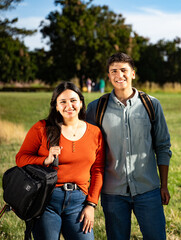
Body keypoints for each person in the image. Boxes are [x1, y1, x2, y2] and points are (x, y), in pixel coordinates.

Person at [86, 52, 172, 240]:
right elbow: (86, 150)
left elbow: (163, 147)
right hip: (113, 193)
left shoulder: (151, 104)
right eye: (113, 71)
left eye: (124, 70)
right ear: (108, 76)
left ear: (133, 73)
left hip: (148, 190)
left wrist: (163, 186)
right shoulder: (95, 109)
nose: (119, 75)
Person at [16, 82, 105, 240]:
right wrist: (45, 160)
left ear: (81, 103)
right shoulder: (42, 129)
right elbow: (21, 159)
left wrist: (91, 204)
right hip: (46, 200)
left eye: (73, 100)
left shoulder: (95, 133)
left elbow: (98, 170)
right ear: (56, 106)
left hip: (79, 202)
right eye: (62, 102)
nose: (69, 106)